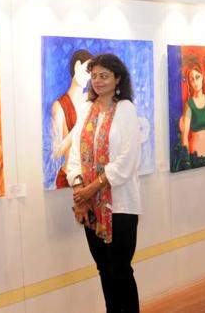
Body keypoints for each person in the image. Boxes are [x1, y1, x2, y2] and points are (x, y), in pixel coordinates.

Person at [66, 53, 141, 313]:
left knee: (121, 270)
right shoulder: (86, 109)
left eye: (104, 76)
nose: (98, 81)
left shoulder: (126, 109)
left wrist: (92, 188)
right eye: (94, 76)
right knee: (104, 270)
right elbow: (74, 154)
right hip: (90, 207)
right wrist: (80, 193)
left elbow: (127, 160)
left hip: (121, 207)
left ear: (117, 78)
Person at [51, 49, 92, 189]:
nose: (90, 77)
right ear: (77, 66)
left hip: (90, 176)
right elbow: (56, 152)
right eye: (87, 71)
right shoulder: (60, 105)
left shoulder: (90, 101)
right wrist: (78, 127)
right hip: (69, 176)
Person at [180, 59, 205, 158]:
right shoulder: (190, 104)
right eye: (192, 79)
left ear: (202, 77)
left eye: (197, 77)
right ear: (189, 83)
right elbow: (185, 136)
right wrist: (187, 161)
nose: (195, 82)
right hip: (195, 156)